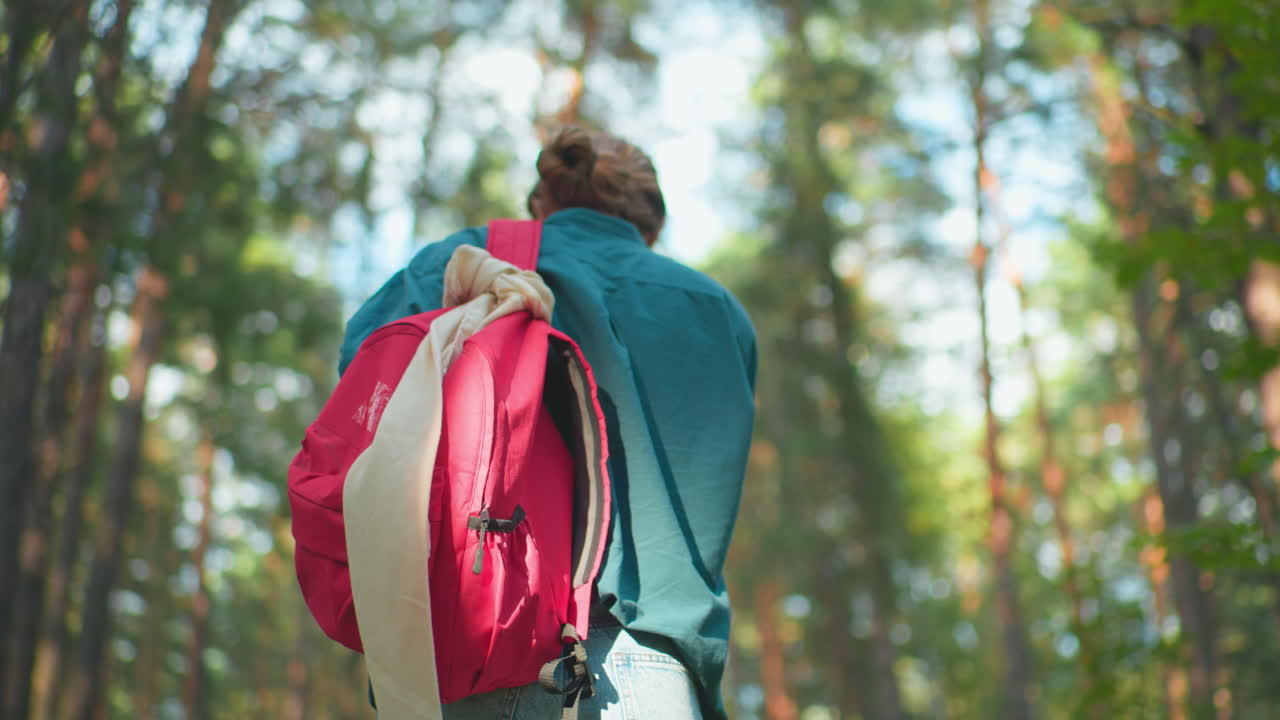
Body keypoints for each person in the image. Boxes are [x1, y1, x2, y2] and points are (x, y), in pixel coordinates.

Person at [338, 126, 757, 720]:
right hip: (648, 661)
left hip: (466, 646)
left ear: (542, 203)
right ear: (650, 225)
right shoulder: (715, 312)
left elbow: (362, 397)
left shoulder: (457, 266)